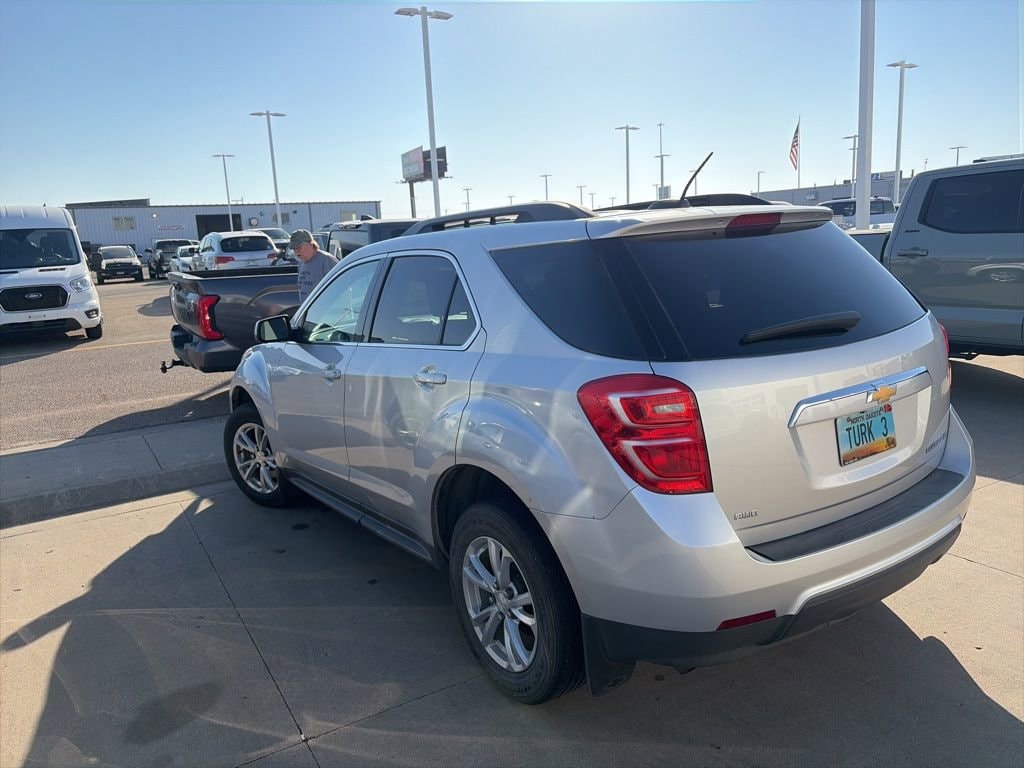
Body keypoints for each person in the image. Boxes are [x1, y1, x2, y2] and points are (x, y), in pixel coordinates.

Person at [290, 229, 338, 302]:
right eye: (294, 249)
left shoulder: (326, 260)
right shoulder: (301, 264)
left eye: (299, 247)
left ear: (311, 244)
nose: (296, 251)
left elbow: (341, 288)